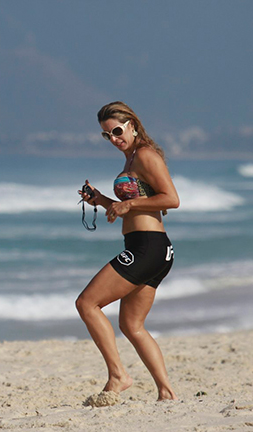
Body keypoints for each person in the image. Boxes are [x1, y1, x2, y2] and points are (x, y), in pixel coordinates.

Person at [76, 101, 179, 401]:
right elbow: (130, 210)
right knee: (131, 325)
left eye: (117, 131)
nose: (114, 138)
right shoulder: (131, 158)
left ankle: (119, 375)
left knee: (87, 304)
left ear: (132, 125)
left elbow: (171, 199)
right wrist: (102, 201)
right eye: (107, 135)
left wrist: (129, 203)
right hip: (153, 249)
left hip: (148, 247)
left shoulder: (145, 155)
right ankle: (166, 391)